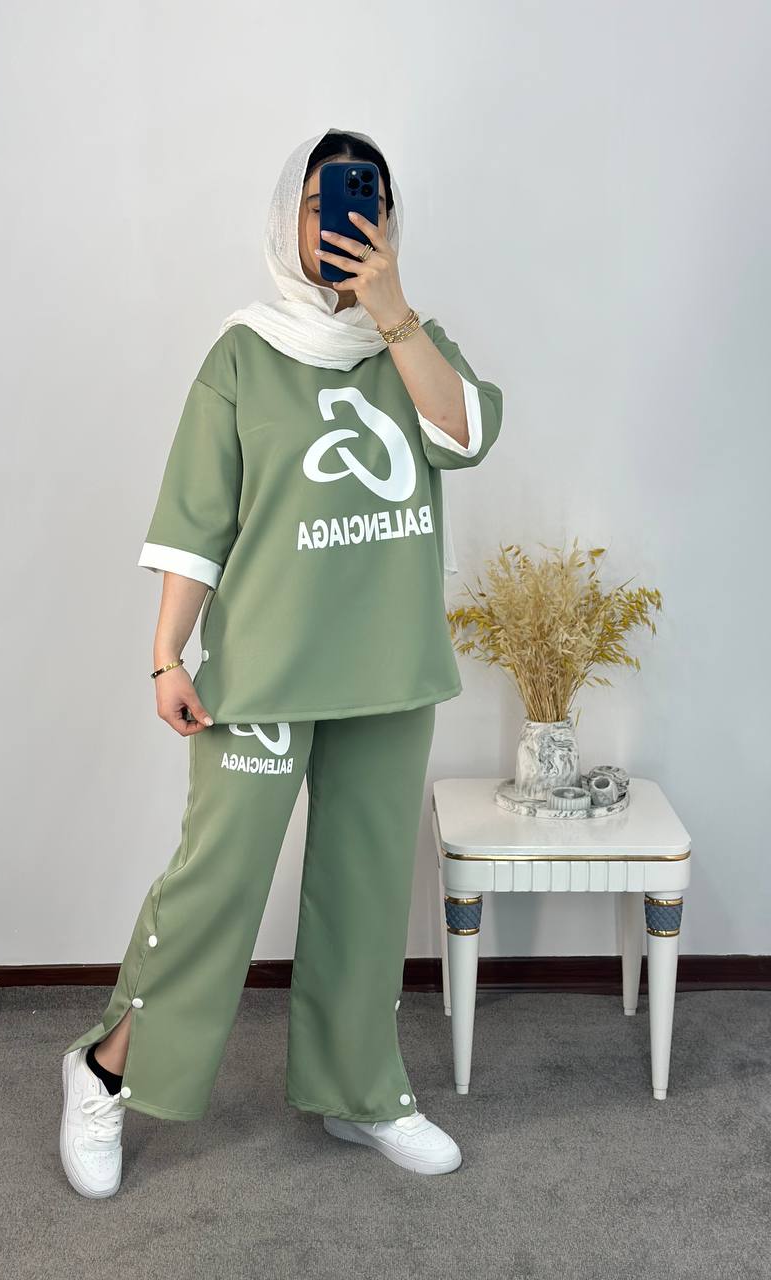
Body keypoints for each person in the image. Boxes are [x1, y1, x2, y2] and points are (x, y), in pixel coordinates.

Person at [58, 125, 504, 1198]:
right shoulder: (243, 353)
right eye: (322, 202)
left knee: (364, 889)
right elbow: (197, 517)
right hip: (261, 666)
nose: (343, 220)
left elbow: (464, 434)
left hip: (388, 666)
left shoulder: (416, 343)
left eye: (365, 202)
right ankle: (106, 1068)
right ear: (288, 220)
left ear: (388, 223)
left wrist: (394, 313)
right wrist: (165, 654)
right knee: (217, 881)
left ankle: (362, 1089)